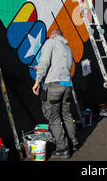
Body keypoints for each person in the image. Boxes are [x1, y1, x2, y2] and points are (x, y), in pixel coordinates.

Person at [32, 29, 78, 159]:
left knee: (53, 118)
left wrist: (37, 81)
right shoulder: (68, 48)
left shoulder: (50, 42)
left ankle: (63, 149)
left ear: (52, 35)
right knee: (67, 115)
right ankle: (73, 143)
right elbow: (60, 66)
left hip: (53, 86)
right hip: (67, 86)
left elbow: (44, 62)